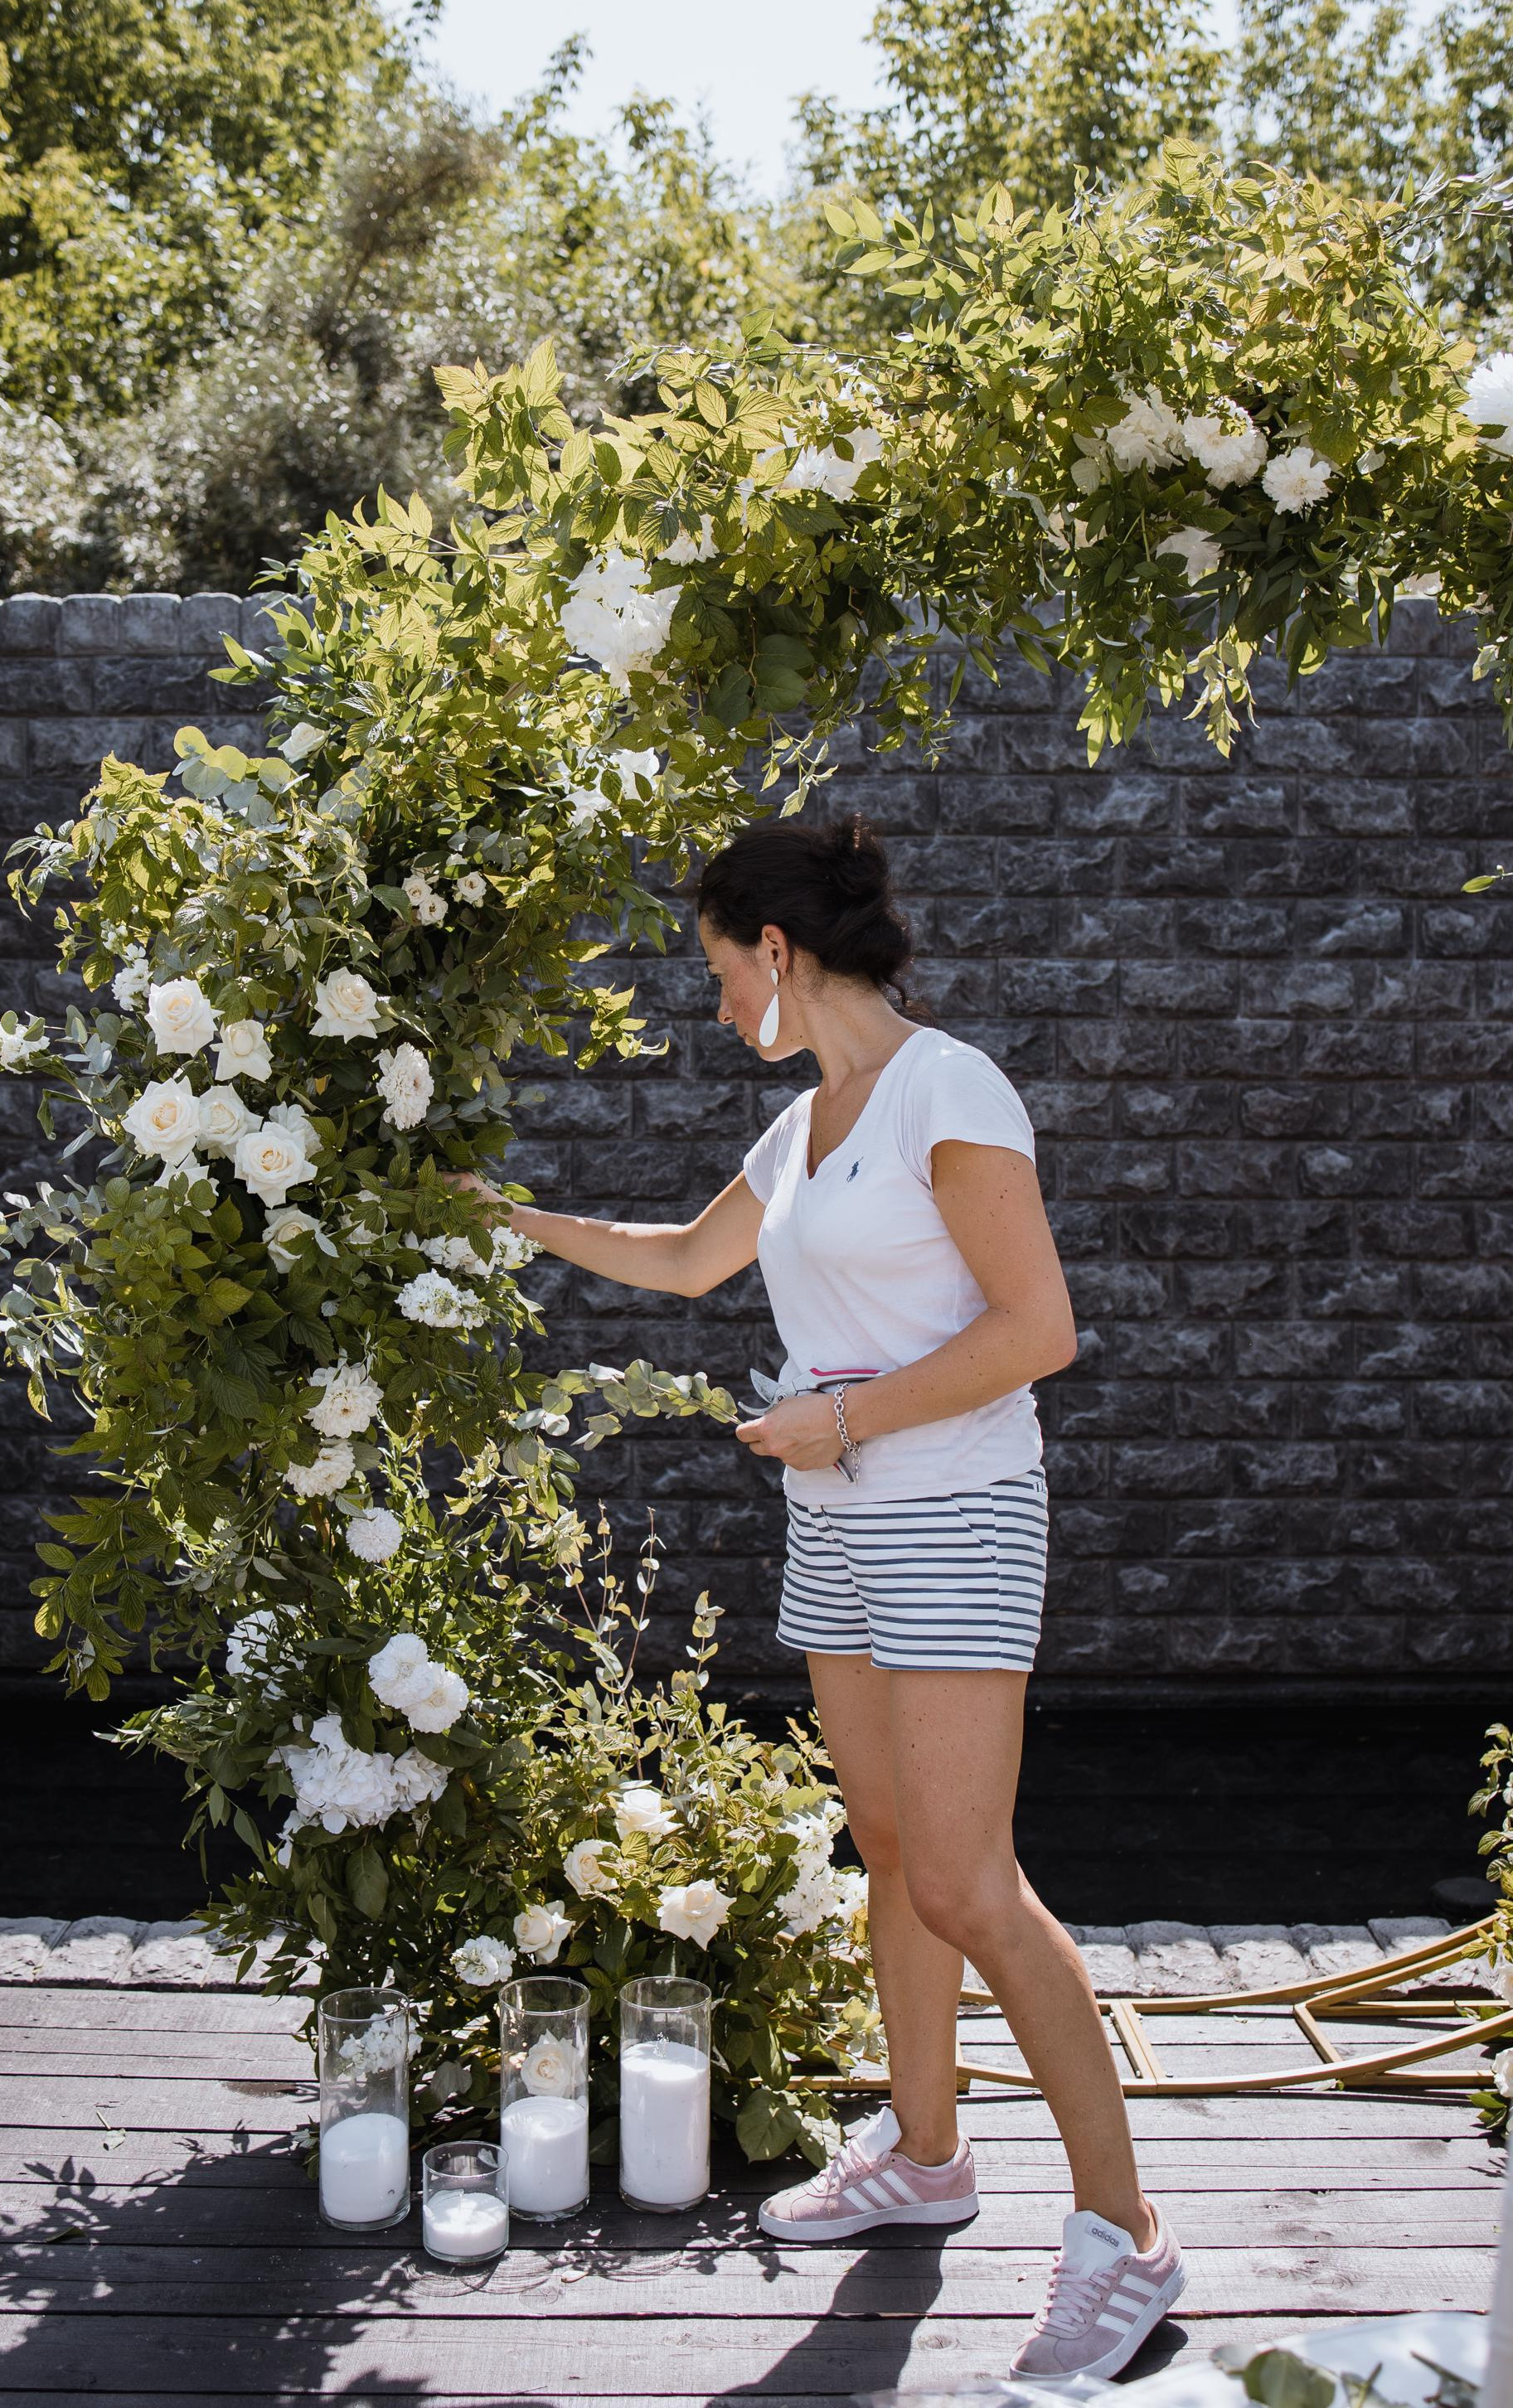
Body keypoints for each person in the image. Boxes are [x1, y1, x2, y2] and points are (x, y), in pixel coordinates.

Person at [449, 812, 1185, 2378]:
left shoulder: (946, 1088)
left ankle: (1127, 2237)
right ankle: (928, 2160)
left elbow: (1038, 1328)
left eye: (722, 974)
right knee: (897, 1856)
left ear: (777, 950)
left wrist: (840, 1418)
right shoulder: (799, 1132)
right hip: (837, 1526)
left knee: (972, 1885)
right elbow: (680, 1261)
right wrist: (500, 1218)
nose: (717, 1007)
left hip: (955, 1512)